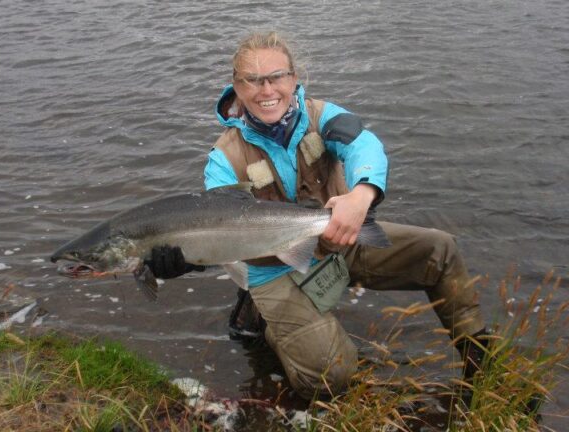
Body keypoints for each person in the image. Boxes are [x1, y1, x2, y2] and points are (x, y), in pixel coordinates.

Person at [145, 31, 488, 402]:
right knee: (332, 377)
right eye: (253, 80)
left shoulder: (324, 117)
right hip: (275, 270)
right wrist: (183, 261)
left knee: (440, 251)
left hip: (339, 236)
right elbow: (214, 230)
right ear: (236, 86)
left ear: (294, 78)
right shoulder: (222, 161)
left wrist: (362, 195)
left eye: (277, 76)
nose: (267, 90)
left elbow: (364, 145)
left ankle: (483, 366)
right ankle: (269, 323)